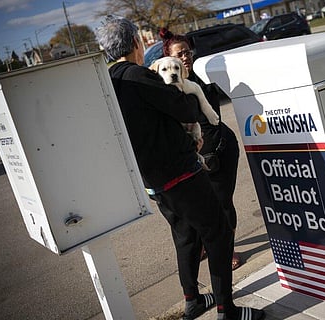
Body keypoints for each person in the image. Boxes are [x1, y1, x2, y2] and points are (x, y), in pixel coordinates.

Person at [96, 16, 264, 320]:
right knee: (219, 233)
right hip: (180, 174)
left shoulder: (108, 82)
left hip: (152, 181)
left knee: (186, 236)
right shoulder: (139, 76)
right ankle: (228, 311)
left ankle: (194, 301)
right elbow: (186, 108)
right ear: (136, 43)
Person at [159, 28, 243, 271]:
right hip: (194, 157)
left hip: (220, 149)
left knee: (222, 204)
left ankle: (229, 250)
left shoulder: (201, 77)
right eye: (179, 54)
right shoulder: (167, 86)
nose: (185, 57)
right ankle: (209, 245)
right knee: (200, 210)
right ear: (169, 59)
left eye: (187, 52)